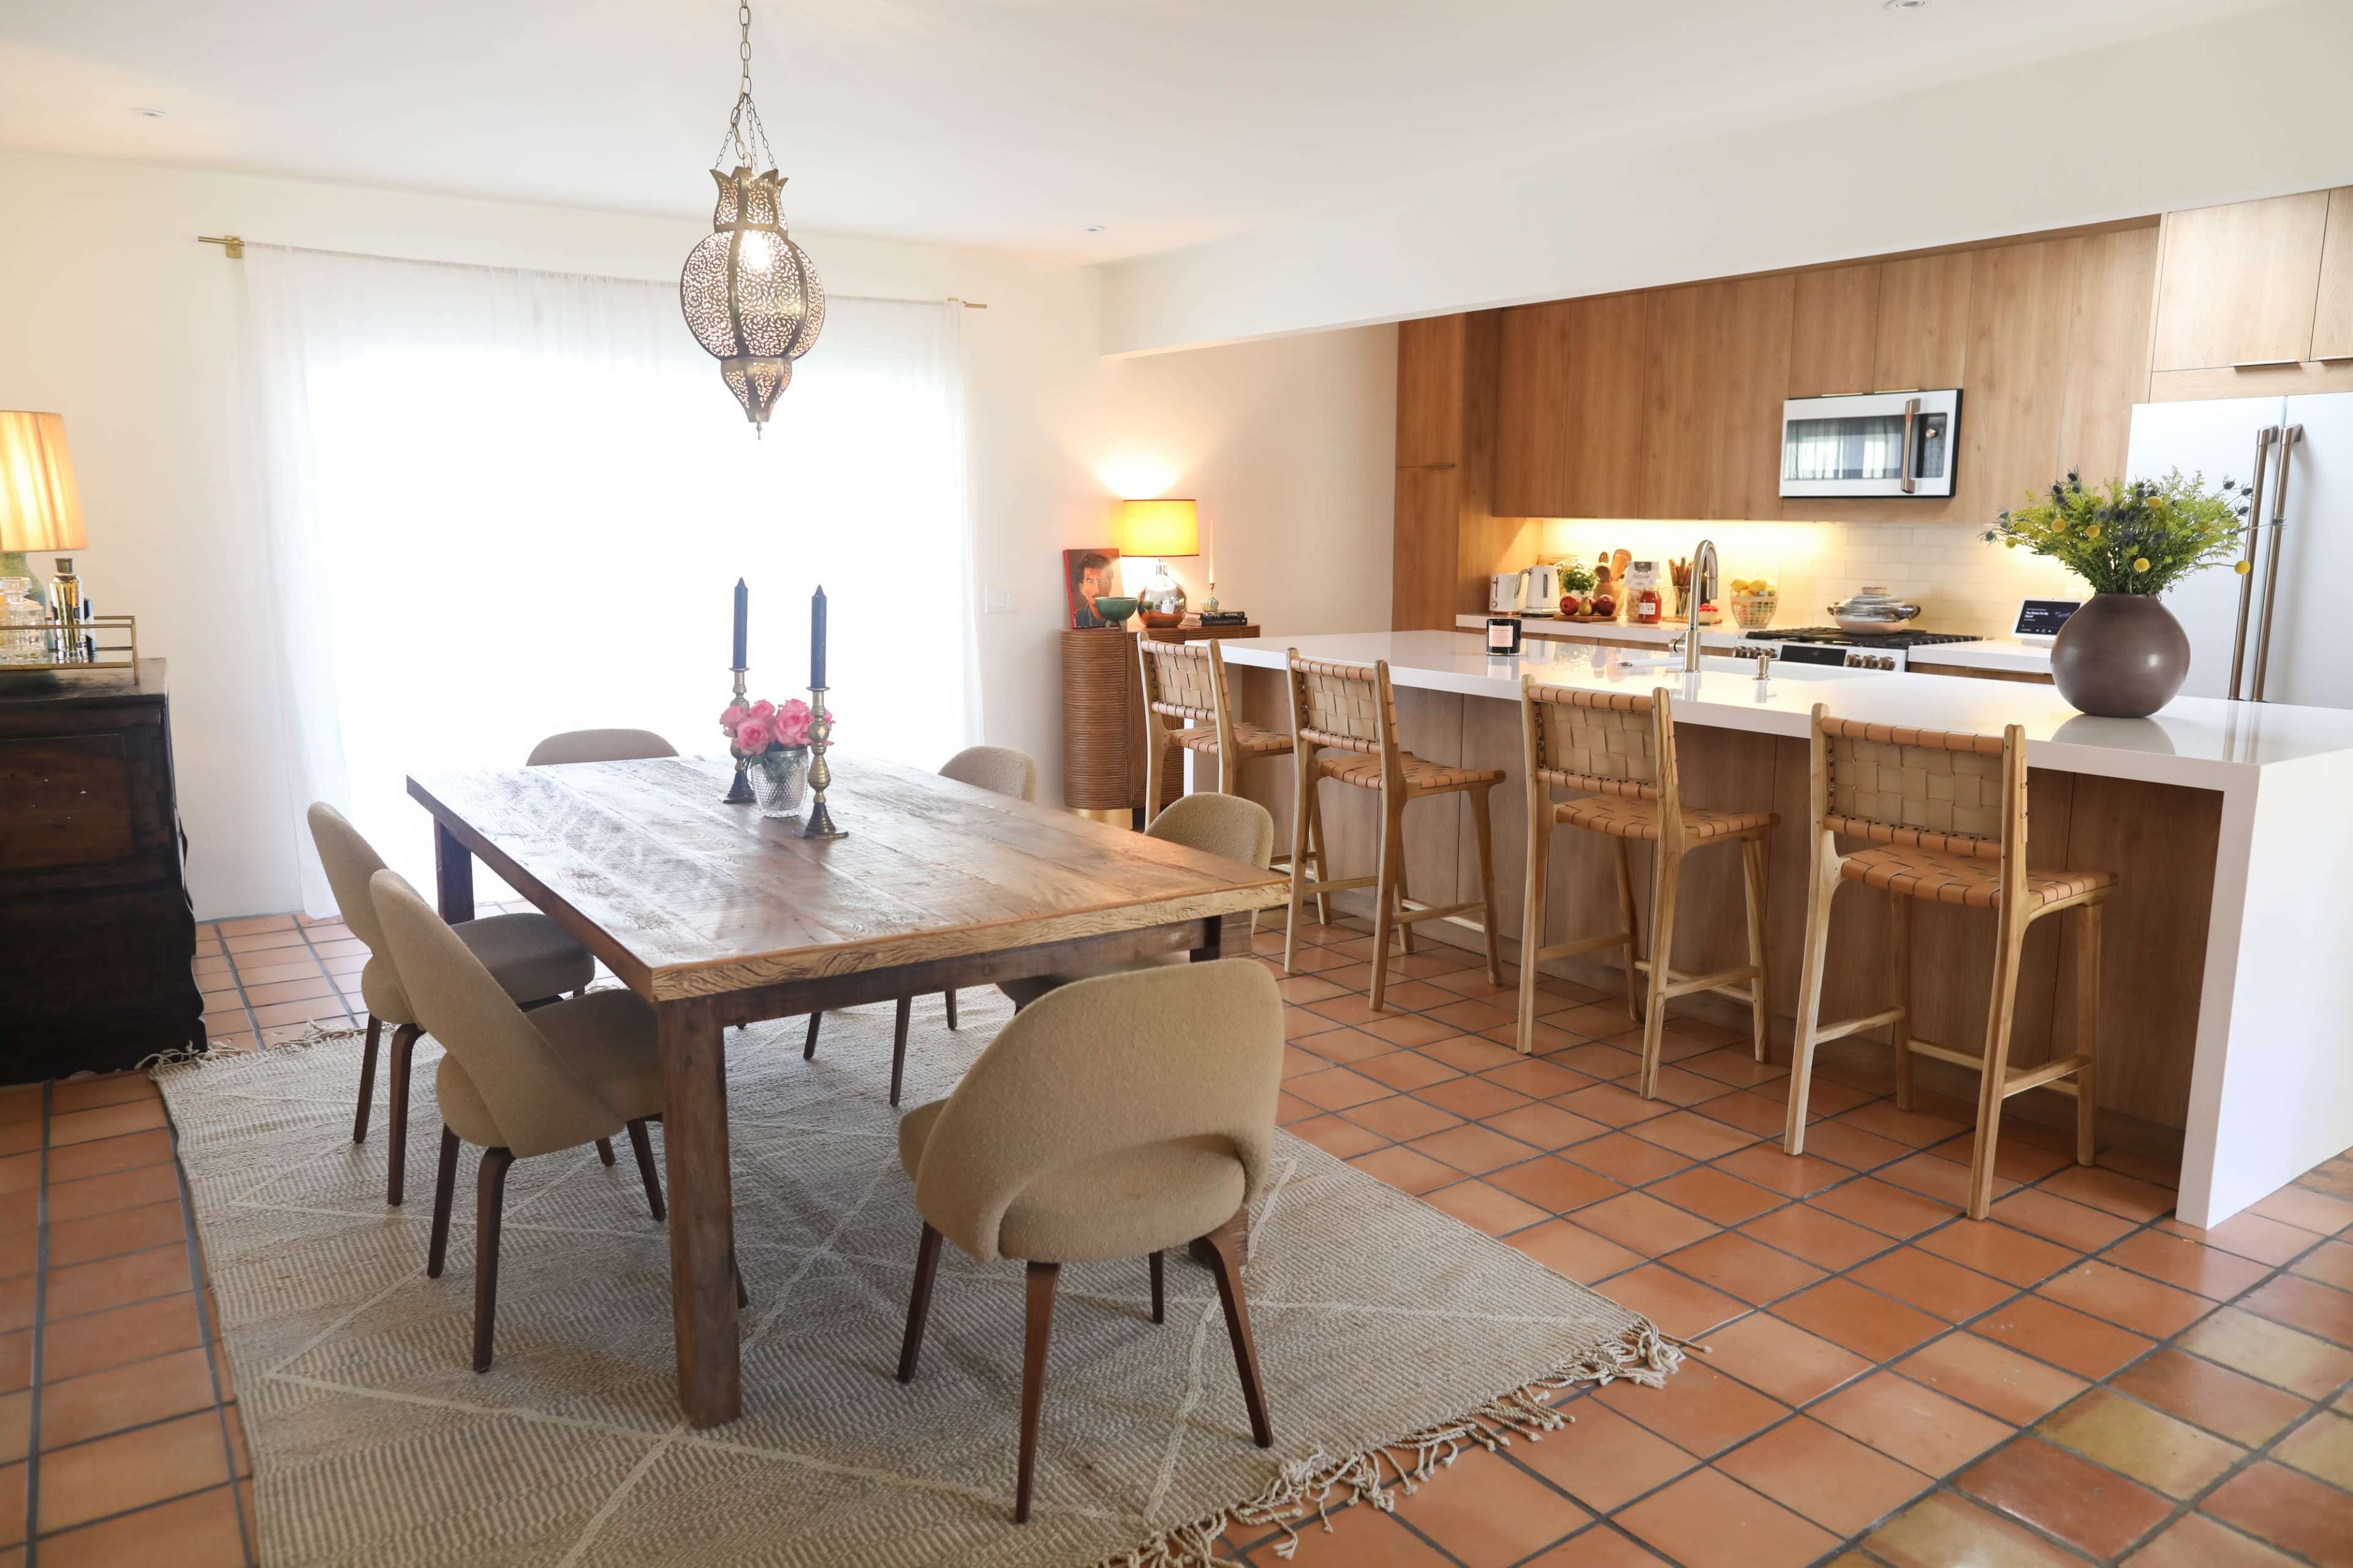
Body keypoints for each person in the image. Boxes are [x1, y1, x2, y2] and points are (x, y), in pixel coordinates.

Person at [1069, 551, 1116, 629]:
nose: (1097, 590)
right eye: (1090, 582)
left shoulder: (1119, 618)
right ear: (1082, 588)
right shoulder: (1077, 620)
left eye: (1102, 581)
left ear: (1110, 586)